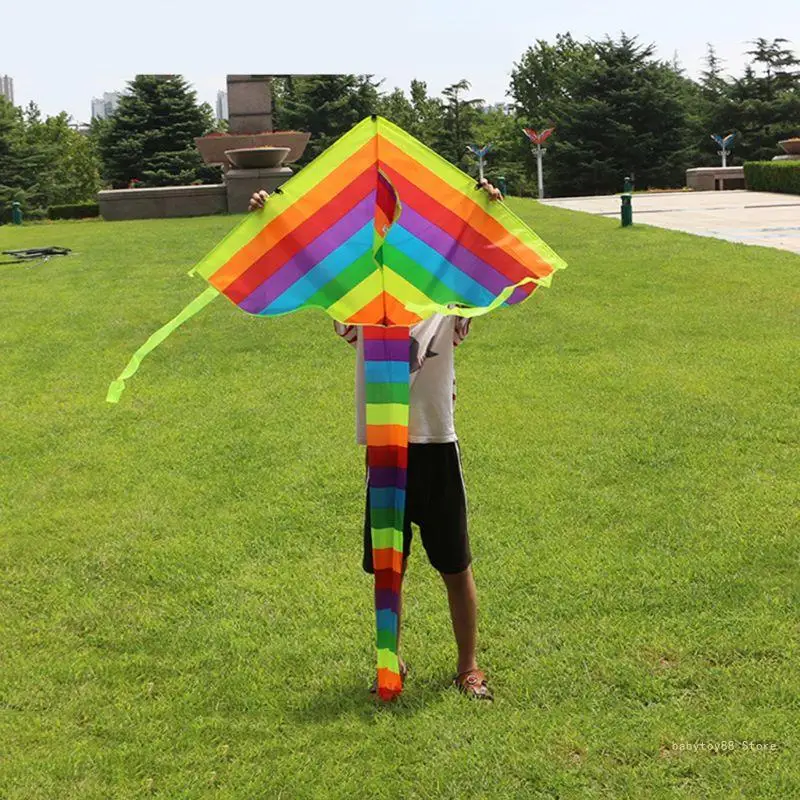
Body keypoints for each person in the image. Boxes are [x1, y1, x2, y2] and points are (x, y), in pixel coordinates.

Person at [249, 178, 502, 700]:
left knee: (456, 565)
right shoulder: (362, 308)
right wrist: (275, 217)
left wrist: (486, 212)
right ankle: (391, 664)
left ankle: (469, 667)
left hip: (436, 445)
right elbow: (313, 267)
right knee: (388, 569)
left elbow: (481, 268)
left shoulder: (447, 305)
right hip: (385, 452)